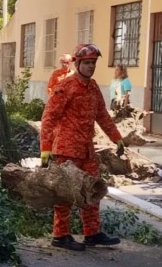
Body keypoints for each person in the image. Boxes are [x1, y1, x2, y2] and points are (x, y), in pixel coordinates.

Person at [40, 44, 126, 251]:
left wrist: (117, 138)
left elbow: (102, 115)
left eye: (93, 63)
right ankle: (60, 235)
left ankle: (92, 233)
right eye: (87, 63)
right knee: (66, 193)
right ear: (78, 63)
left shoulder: (93, 87)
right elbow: (49, 117)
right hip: (67, 149)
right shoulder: (66, 86)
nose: (91, 67)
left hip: (87, 149)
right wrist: (45, 147)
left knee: (93, 190)